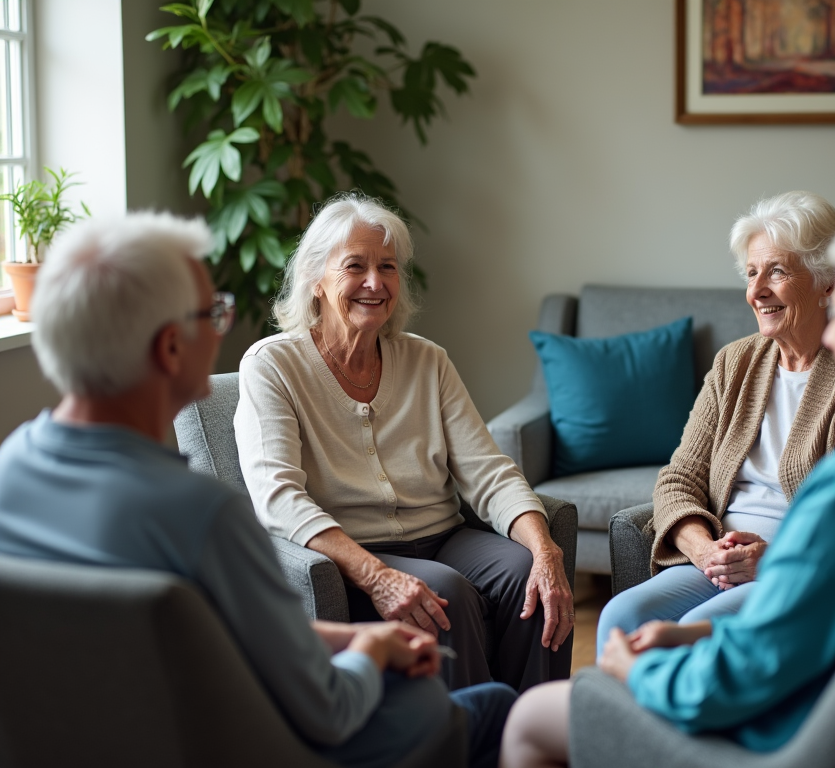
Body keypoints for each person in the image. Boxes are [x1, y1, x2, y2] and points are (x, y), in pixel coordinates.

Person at [500, 212, 835, 767]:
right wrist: (686, 628)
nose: (834, 335)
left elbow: (746, 674)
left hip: (796, 738)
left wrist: (642, 670)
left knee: (531, 717)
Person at [0, 212, 515, 768]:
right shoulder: (201, 515)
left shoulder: (10, 474)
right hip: (270, 748)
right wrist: (367, 650)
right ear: (171, 347)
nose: (222, 327)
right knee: (495, 708)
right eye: (212, 313)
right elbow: (329, 709)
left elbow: (216, 633)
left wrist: (342, 642)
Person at [234, 194, 574, 693]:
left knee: (528, 573)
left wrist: (545, 550)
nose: (375, 282)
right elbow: (278, 496)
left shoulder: (427, 361)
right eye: (355, 266)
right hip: (352, 551)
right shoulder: (273, 365)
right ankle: (468, 743)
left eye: (387, 267)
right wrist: (374, 575)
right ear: (316, 279)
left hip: (444, 536)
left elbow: (488, 471)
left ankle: (530, 738)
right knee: (445, 594)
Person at [597, 191, 835, 653]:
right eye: (751, 273)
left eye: (777, 271)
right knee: (620, 617)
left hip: (795, 571)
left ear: (829, 283)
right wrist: (705, 551)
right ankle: (618, 726)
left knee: (700, 632)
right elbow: (678, 479)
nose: (757, 290)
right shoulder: (735, 363)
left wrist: (775, 560)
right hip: (716, 560)